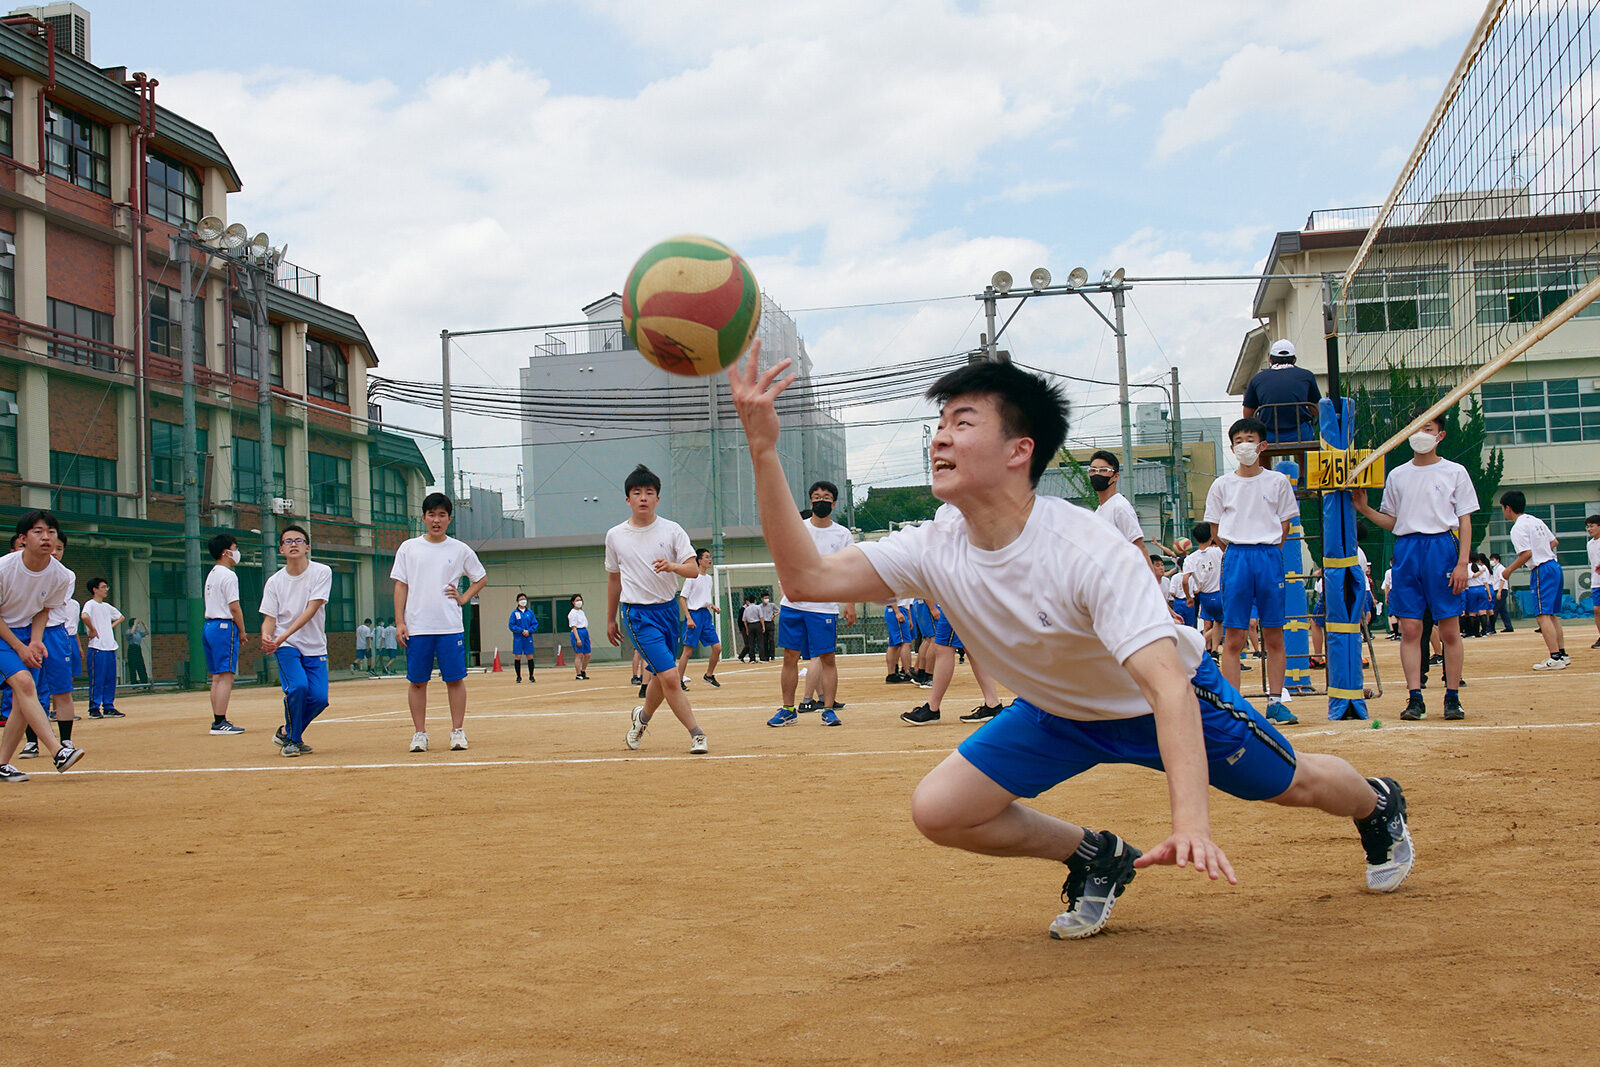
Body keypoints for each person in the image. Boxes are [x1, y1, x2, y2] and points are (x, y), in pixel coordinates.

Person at [729, 350, 1414, 940]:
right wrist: (764, 450)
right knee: (939, 810)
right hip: (1059, 713)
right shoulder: (935, 544)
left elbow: (1165, 685)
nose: (939, 439)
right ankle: (1096, 855)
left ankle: (1378, 802)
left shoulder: (1085, 549)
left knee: (1295, 783)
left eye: (961, 423)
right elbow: (805, 576)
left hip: (1163, 704)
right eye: (938, 425)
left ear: (1018, 449)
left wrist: (1190, 819)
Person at [1354, 415, 1474, 720]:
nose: (1421, 434)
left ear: (1440, 435)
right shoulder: (1397, 475)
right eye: (1416, 429)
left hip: (1442, 549)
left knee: (1449, 627)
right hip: (1408, 549)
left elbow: (1465, 520)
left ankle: (1452, 697)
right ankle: (1415, 697)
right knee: (1410, 627)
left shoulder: (1454, 471)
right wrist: (1365, 509)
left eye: (1428, 429)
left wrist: (1462, 562)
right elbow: (1393, 522)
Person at [1204, 417, 1300, 724]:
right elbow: (1216, 529)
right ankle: (1234, 707)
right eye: (1239, 440)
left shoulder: (1277, 482)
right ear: (1232, 447)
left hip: (1268, 556)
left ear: (1262, 445)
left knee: (1274, 633)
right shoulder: (1222, 485)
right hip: (1236, 557)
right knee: (1234, 636)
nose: (1245, 445)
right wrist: (1236, 553)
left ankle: (1276, 701)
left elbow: (1284, 525)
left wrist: (1267, 551)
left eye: (1250, 439)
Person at [611, 464, 708, 755]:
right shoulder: (615, 535)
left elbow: (692, 570)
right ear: (627, 499)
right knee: (670, 676)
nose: (643, 497)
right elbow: (613, 578)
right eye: (636, 493)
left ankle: (641, 720)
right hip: (637, 614)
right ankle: (697, 733)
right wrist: (609, 619)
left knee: (658, 675)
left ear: (657, 498)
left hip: (667, 611)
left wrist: (672, 566)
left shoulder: (672, 530)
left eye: (649, 492)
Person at [393, 493, 489, 753]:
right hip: (417, 626)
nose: (436, 520)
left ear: (449, 518)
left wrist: (463, 598)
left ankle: (457, 731)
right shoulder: (409, 548)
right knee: (417, 681)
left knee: (455, 679)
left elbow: (480, 577)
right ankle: (419, 734)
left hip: (449, 626)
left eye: (442, 515)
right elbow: (401, 585)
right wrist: (400, 621)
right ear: (423, 517)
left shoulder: (459, 549)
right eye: (432, 515)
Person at [0, 512, 88, 781]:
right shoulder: (4, 568)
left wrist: (35, 640)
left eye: (51, 531)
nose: (46, 537)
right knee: (26, 685)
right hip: (4, 631)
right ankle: (58, 751)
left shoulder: (60, 575)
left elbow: (44, 610)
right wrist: (19, 647)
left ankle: (1, 764)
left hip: (26, 632)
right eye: (38, 531)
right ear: (23, 539)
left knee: (20, 702)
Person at [769, 481, 855, 727]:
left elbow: (849, 570)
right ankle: (788, 709)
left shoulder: (842, 534)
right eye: (817, 497)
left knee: (827, 658)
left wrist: (850, 603)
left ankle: (828, 709)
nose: (821, 501)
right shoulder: (796, 528)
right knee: (789, 657)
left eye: (826, 497)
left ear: (834, 503)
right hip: (794, 604)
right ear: (810, 502)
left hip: (824, 606)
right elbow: (783, 557)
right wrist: (783, 583)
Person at [260, 525, 332, 757]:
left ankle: (286, 731)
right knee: (298, 687)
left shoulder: (322, 572)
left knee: (320, 698)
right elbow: (270, 618)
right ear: (281, 548)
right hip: (287, 646)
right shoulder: (274, 582)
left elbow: (311, 610)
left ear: (307, 547)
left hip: (313, 644)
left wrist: (281, 636)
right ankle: (292, 740)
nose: (293, 544)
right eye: (288, 541)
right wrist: (267, 636)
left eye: (299, 540)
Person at [21, 530, 82, 759]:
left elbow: (45, 605)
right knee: (30, 688)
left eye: (60, 549)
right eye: (52, 548)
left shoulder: (66, 575)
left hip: (55, 633)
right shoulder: (25, 572)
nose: (55, 553)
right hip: (28, 633)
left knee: (62, 688)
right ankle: (31, 741)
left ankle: (65, 738)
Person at [902, 596, 1007, 726]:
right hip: (964, 599)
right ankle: (993, 704)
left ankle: (932, 708)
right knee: (971, 648)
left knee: (943, 647)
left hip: (958, 600)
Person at [1498, 490, 1567, 671]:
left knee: (1542, 615)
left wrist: (1509, 570)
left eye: (1502, 508)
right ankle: (1562, 654)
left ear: (1508, 508)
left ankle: (1555, 657)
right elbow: (1554, 542)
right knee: (1551, 614)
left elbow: (1527, 553)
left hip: (1542, 569)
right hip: (1554, 566)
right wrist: (1542, 550)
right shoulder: (1536, 520)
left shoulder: (1518, 527)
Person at [202, 533, 247, 735]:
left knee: (217, 677)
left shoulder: (212, 573)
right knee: (227, 675)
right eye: (235, 548)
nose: (237, 552)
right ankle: (220, 722)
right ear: (226, 552)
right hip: (223, 626)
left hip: (209, 627)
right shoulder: (229, 575)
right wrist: (243, 631)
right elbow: (234, 607)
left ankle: (218, 719)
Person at [1242, 338, 1321, 444]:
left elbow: (1247, 414)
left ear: (1270, 359)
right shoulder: (1307, 376)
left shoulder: (1257, 379)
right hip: (1300, 434)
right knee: (1305, 445)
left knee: (1261, 445)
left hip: (1268, 435)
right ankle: (1303, 461)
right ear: (1294, 360)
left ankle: (1264, 460)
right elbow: (1316, 409)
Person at [678, 549, 723, 688]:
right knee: (688, 651)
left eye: (710, 557)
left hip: (705, 615)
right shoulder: (691, 577)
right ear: (699, 561)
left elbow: (703, 598)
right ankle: (678, 681)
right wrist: (689, 618)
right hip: (694, 615)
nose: (710, 559)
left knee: (717, 648)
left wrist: (713, 606)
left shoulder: (709, 579)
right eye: (707, 557)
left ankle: (709, 675)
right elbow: (682, 599)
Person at [82, 576, 125, 719]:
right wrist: (93, 630)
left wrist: (110, 626)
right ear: (95, 590)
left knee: (110, 678)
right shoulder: (90, 604)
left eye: (107, 587)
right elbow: (84, 616)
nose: (106, 589)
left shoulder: (106, 606)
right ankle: (94, 707)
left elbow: (121, 617)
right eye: (103, 587)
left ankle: (108, 706)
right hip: (97, 647)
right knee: (97, 679)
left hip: (110, 647)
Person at [1086, 450, 1144, 554]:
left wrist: (1148, 570)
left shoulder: (1120, 507)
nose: (1096, 474)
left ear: (1116, 476)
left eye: (1103, 470)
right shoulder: (1100, 510)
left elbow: (1139, 546)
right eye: (1093, 470)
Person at [1181, 523, 1224, 655]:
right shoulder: (1219, 551)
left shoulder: (1190, 558)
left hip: (1205, 598)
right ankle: (1201, 645)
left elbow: (1185, 580)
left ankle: (1214, 651)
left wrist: (1189, 597)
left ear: (1195, 539)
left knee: (1217, 622)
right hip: (1219, 594)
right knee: (1228, 623)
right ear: (1212, 537)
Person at [884, 598, 916, 683]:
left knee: (894, 644)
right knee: (905, 642)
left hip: (902, 609)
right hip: (897, 609)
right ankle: (907, 672)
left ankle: (892, 674)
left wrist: (909, 617)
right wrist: (897, 612)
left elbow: (907, 602)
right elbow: (890, 596)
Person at [508, 594, 538, 683]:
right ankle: (518, 676)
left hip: (528, 637)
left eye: (524, 599)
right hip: (518, 637)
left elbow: (535, 623)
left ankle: (531, 676)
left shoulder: (530, 613)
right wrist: (521, 630)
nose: (523, 601)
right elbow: (511, 625)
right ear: (517, 601)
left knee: (530, 656)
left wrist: (529, 631)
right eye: (521, 599)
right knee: (518, 656)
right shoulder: (514, 613)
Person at [568, 594, 592, 679]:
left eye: (580, 600)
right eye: (577, 600)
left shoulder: (581, 612)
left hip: (584, 631)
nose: (579, 602)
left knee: (588, 654)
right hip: (577, 632)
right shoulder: (572, 613)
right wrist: (578, 639)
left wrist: (587, 637)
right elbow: (573, 627)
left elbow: (585, 625)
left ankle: (583, 671)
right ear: (573, 602)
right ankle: (578, 674)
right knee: (579, 654)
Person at [1489, 553, 1514, 633]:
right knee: (1502, 610)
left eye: (1493, 559)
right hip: (1498, 589)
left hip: (1501, 589)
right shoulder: (1495, 568)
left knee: (1495, 608)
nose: (1491, 561)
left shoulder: (1500, 568)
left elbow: (1502, 579)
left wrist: (1499, 591)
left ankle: (1490, 627)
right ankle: (1508, 626)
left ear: (1497, 560)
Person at [1586, 516, 1600, 650]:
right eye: (1588, 527)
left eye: (1592, 526)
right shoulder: (1589, 544)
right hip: (1596, 582)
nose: (1589, 529)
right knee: (1597, 610)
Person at [125, 616, 150, 686]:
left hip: (138, 648)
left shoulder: (138, 632)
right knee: (133, 666)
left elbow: (147, 632)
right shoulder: (128, 631)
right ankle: (134, 683)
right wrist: (135, 624)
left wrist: (144, 624)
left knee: (141, 665)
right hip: (132, 648)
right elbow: (131, 633)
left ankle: (144, 682)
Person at [738, 595, 764, 663]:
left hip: (750, 625)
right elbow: (761, 617)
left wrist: (746, 629)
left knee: (751, 643)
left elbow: (744, 620)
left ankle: (752, 659)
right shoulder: (758, 607)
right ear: (755, 600)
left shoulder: (746, 609)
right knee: (760, 642)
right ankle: (762, 658)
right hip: (757, 624)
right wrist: (763, 626)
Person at [759, 592, 778, 661]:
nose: (766, 599)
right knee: (764, 640)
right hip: (763, 624)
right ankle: (766, 656)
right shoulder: (759, 606)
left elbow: (779, 610)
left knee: (771, 639)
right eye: (765, 598)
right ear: (761, 599)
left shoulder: (772, 605)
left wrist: (774, 615)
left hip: (770, 623)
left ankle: (772, 655)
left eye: (767, 598)